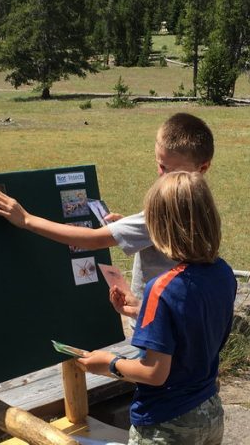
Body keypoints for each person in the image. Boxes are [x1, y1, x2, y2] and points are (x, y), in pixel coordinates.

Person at [0, 112, 214, 319]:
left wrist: (26, 219)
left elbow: (94, 240)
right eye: (159, 164)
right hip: (181, 314)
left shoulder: (162, 211)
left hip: (154, 321)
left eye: (168, 169)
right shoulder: (202, 204)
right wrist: (129, 226)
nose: (160, 173)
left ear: (202, 167)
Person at [78, 171, 236, 444]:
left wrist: (110, 364)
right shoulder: (223, 273)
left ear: (160, 227)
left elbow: (154, 373)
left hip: (166, 422)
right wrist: (142, 310)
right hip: (209, 411)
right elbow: (194, 323)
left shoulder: (161, 288)